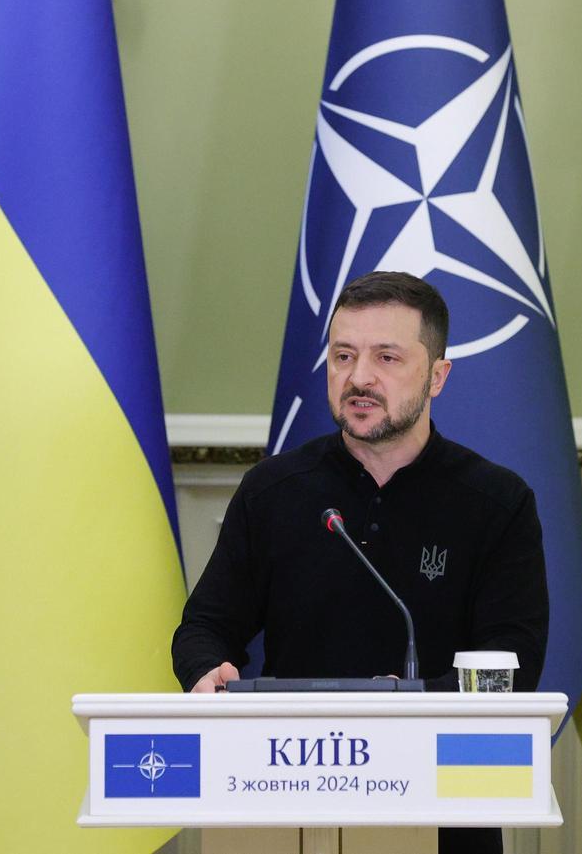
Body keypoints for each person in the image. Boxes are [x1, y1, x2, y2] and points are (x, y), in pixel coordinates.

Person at [171, 271, 549, 854]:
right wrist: (204, 671)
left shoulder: (496, 503)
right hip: (287, 794)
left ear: (438, 377)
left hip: (445, 811)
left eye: (387, 357)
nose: (359, 377)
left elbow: (512, 668)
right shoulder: (274, 490)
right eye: (342, 355)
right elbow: (205, 627)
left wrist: (408, 709)